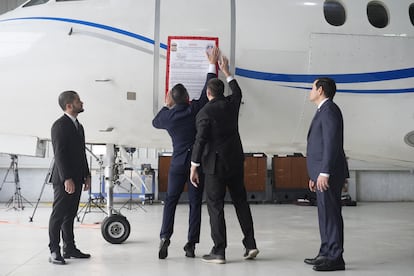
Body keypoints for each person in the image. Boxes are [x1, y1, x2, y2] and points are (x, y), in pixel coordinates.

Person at [190, 55, 259, 264]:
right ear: (222, 92)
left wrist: (194, 166)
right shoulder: (232, 104)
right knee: (241, 203)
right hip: (235, 162)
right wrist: (227, 72)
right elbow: (238, 92)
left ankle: (219, 251)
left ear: (208, 93)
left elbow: (200, 141)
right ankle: (251, 245)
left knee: (215, 207)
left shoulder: (204, 112)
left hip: (214, 166)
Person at [152, 47, 220, 259]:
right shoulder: (196, 109)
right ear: (188, 97)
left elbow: (155, 122)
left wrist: (166, 105)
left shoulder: (168, 118)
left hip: (177, 164)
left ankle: (165, 237)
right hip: (195, 164)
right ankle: (190, 244)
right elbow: (207, 90)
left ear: (173, 100)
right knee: (194, 205)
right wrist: (212, 64)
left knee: (170, 201)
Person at [305, 77, 349, 271]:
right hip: (321, 174)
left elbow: (332, 143)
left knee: (330, 214)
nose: (310, 91)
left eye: (312, 88)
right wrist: (315, 175)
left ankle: (335, 257)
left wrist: (324, 172)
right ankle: (325, 252)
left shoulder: (329, 110)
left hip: (328, 173)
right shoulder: (323, 110)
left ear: (320, 90)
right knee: (324, 214)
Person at [48, 90, 91, 265]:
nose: (82, 103)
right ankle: (54, 250)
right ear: (69, 105)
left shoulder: (79, 126)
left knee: (70, 215)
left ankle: (69, 248)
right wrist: (67, 178)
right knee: (58, 215)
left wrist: (86, 175)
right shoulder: (59, 126)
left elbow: (82, 153)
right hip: (64, 179)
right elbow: (59, 154)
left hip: (77, 177)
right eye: (78, 101)